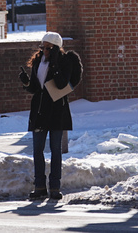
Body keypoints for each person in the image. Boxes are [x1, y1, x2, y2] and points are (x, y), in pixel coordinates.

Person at [19, 31, 83, 201]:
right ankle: (39, 186)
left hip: (57, 111)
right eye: (42, 47)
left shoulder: (64, 61)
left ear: (55, 48)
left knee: (56, 151)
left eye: (47, 48)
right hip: (39, 111)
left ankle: (55, 187)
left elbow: (62, 84)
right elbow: (35, 88)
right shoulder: (38, 61)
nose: (43, 51)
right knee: (37, 151)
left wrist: (54, 65)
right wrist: (26, 82)